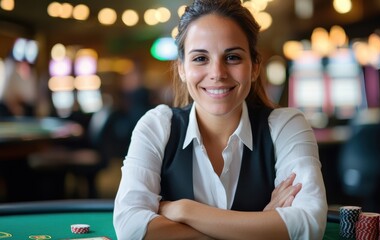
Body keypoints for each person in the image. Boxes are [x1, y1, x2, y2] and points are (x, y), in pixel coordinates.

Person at [113, 0, 327, 239]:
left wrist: (184, 210)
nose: (217, 73)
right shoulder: (156, 125)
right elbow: (131, 228)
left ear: (254, 67)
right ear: (182, 68)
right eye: (200, 58)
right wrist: (261, 224)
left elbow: (308, 225)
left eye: (233, 57)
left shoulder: (286, 125)